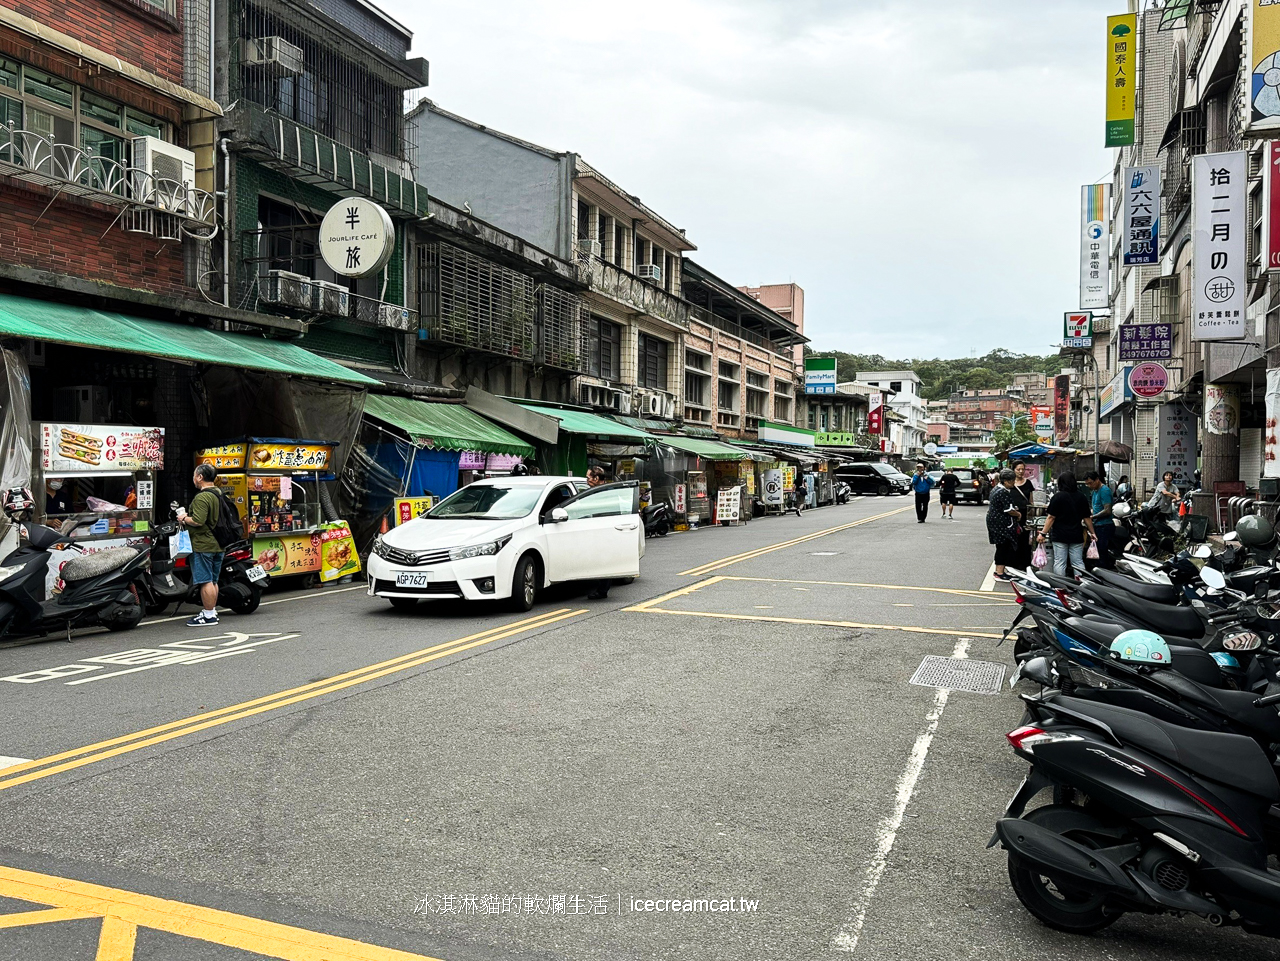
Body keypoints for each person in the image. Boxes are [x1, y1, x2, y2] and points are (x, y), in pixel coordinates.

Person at [176, 463, 224, 627]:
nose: (194, 479)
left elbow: (198, 520)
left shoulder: (203, 497)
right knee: (213, 580)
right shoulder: (219, 494)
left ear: (200, 477)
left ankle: (209, 615)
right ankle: (212, 610)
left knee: (205, 580)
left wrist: (183, 518)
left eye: (195, 476)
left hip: (204, 544)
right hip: (219, 543)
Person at [1037, 471, 1098, 578]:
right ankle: (1081, 586)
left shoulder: (1057, 497)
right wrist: (1092, 533)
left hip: (1059, 534)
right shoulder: (1081, 497)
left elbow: (1051, 517)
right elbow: (1087, 518)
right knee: (1078, 562)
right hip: (1076, 534)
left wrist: (1043, 533)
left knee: (1060, 562)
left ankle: (1060, 587)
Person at [987, 468, 1022, 580]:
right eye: (1012, 481)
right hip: (1001, 524)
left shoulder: (996, 489)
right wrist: (1018, 514)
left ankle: (1000, 570)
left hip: (994, 522)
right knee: (1003, 547)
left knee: (1001, 547)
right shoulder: (1003, 492)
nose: (1013, 483)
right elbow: (1009, 510)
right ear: (1006, 481)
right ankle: (999, 573)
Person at [583, 467, 611, 600]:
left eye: (588, 477)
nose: (586, 480)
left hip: (605, 530)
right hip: (595, 529)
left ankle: (602, 590)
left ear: (596, 478)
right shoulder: (593, 490)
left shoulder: (607, 491)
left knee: (604, 560)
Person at [1010, 462, 1036, 569]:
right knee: (1013, 539)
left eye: (1023, 469)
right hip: (1012, 515)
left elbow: (1031, 500)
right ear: (1013, 470)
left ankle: (1024, 564)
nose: (1021, 472)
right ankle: (1012, 563)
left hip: (1025, 515)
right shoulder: (1010, 483)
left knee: (1025, 540)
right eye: (1018, 469)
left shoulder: (1028, 483)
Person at [1085, 471, 1114, 564]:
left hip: (1105, 526)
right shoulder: (1094, 492)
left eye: (1090, 483)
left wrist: (1093, 517)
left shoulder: (1104, 490)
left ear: (1097, 480)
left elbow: (1107, 510)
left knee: (1102, 551)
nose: (1089, 485)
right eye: (1087, 484)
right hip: (1097, 525)